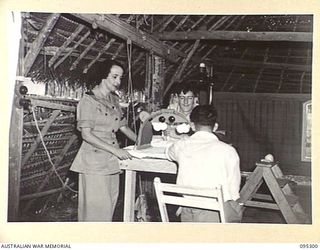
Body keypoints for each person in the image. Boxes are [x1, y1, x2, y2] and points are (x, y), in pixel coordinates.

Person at [70, 60, 137, 222]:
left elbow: (123, 127)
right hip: (94, 162)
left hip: (111, 162)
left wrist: (142, 143)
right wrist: (116, 151)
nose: (118, 82)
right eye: (114, 77)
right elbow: (86, 134)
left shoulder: (113, 99)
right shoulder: (88, 100)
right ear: (103, 76)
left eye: (120, 78)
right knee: (95, 213)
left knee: (108, 208)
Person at [166, 105, 242, 223]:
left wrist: (185, 138)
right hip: (215, 210)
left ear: (192, 126)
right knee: (236, 209)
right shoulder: (228, 150)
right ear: (215, 126)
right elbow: (234, 191)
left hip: (187, 209)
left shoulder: (181, 145)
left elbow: (169, 152)